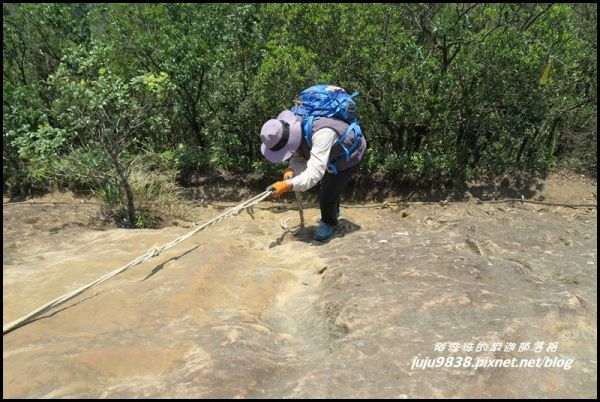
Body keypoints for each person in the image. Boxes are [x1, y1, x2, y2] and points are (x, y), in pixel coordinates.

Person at [260, 109, 367, 241]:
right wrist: (291, 170)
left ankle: (329, 222)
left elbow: (313, 174)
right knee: (329, 184)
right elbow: (300, 156)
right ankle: (335, 211)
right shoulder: (294, 128)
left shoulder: (322, 133)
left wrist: (287, 185)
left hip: (350, 155)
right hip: (331, 155)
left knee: (327, 193)